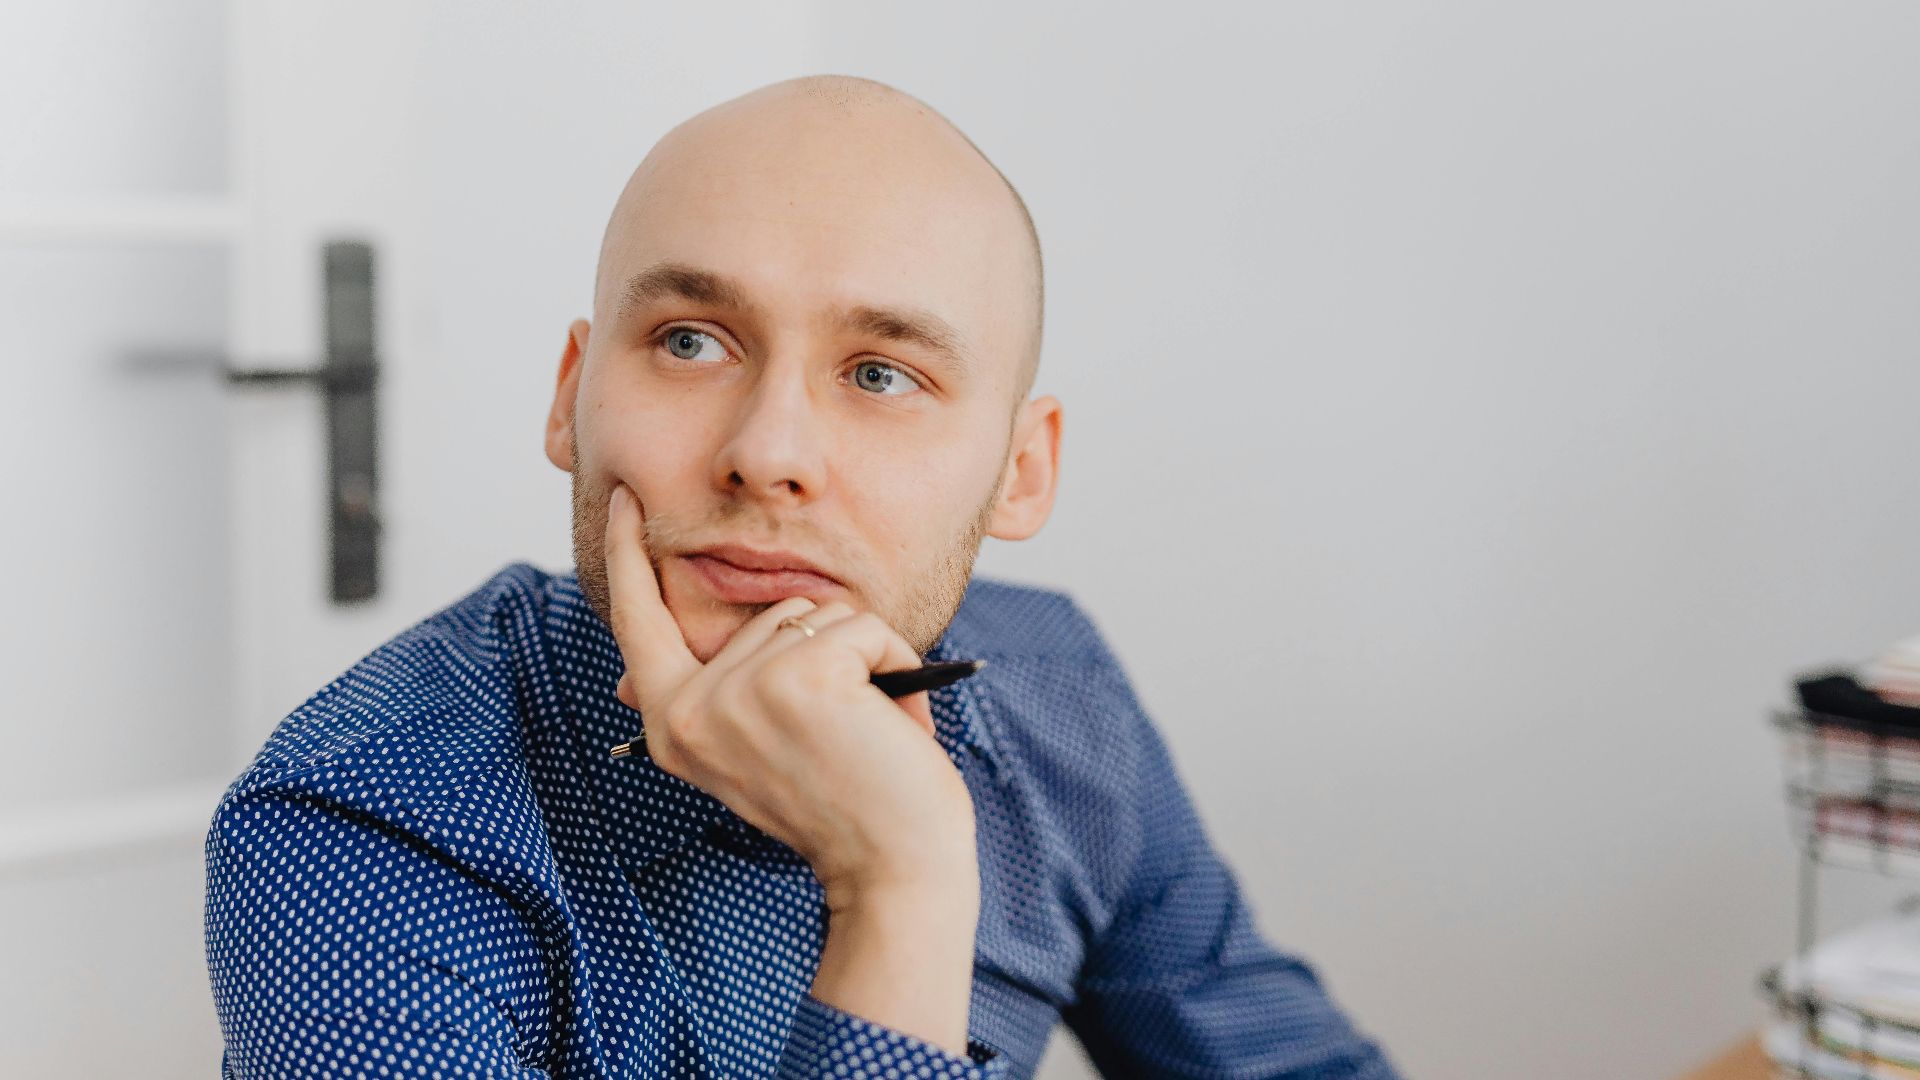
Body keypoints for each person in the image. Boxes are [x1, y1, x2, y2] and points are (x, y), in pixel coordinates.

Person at [203, 73, 1402, 1080]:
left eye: (881, 375)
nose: (767, 454)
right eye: (690, 342)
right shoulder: (358, 827)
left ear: (1021, 473)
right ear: (572, 397)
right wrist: (900, 893)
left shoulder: (1060, 693)